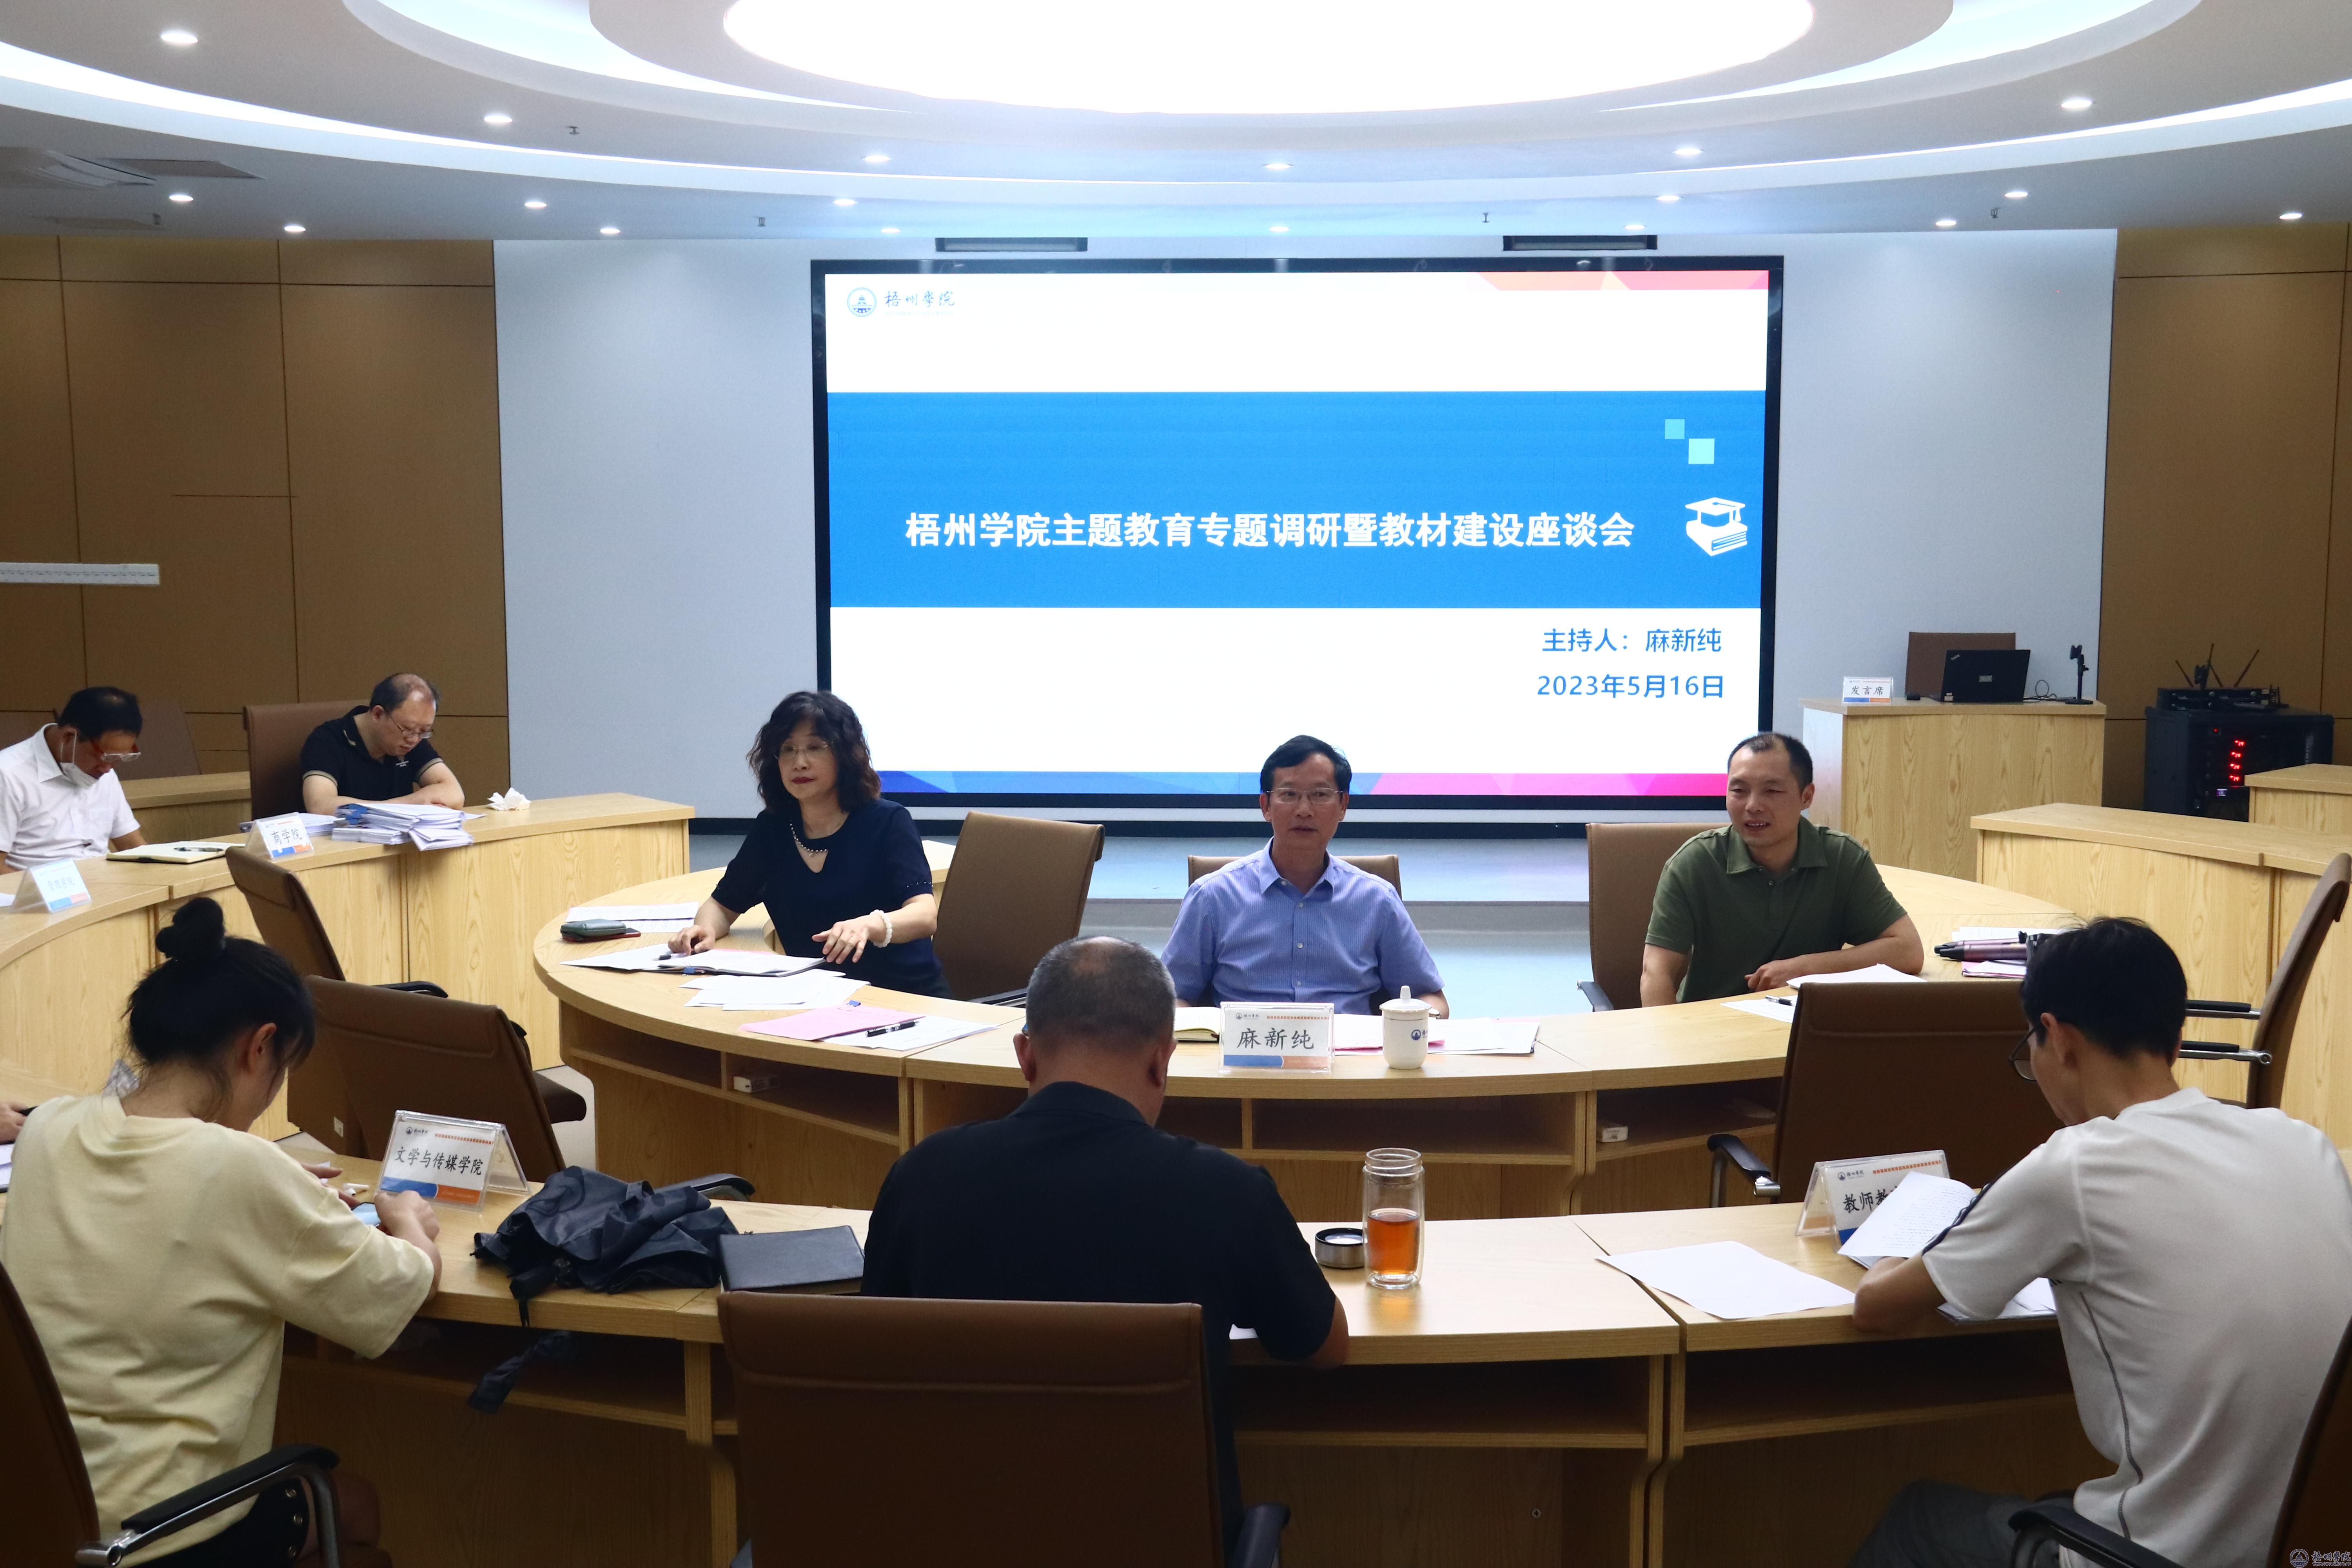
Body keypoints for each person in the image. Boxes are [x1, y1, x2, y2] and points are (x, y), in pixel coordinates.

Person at [1847, 918, 2352, 1568]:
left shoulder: (2074, 1166)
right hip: (2318, 1552)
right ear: (2175, 1041)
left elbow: (1879, 1308)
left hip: (2163, 1558)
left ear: (2058, 1038)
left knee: (1917, 1519)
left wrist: (1894, 1247)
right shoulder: (2305, 1146)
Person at [862, 936, 1346, 1555]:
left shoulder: (923, 1177)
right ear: (1162, 1061)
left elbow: (875, 1351)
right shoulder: (1227, 1192)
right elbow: (1324, 1346)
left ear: (1025, 1056)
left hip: (960, 1543)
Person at [0, 897, 441, 1566]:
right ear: (259, 1047)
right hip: (153, 1530)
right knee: (355, 1509)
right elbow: (399, 1288)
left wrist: (273, 1187)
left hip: (32, 1509)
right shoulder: (241, 1169)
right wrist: (408, 1221)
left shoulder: (49, 1128)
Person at [671, 691, 947, 994]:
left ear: (845, 755)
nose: (799, 763)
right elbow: (722, 906)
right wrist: (704, 930)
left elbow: (925, 915)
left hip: (903, 996)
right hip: (816, 997)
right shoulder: (773, 828)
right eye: (788, 749)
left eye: (815, 748)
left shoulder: (887, 821)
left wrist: (869, 926)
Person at [1163, 734, 1448, 1016]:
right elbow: (1170, 999)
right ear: (1266, 806)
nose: (1304, 810)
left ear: (1343, 806)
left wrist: (1415, 1023)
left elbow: (1430, 998)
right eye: (1289, 795)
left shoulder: (1377, 900)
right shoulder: (1213, 896)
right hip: (1247, 1044)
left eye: (1320, 795)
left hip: (1349, 1045)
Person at [1641, 732, 1922, 1005]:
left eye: (1772, 791)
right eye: (1739, 791)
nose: (1752, 806)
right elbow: (1656, 973)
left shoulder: (1841, 857)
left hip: (1804, 1025)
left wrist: (1805, 968)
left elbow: (1908, 951)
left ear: (1806, 796)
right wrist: (1670, 1035)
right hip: (1710, 1024)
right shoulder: (1694, 863)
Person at [0, 685, 147, 871]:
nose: (108, 769)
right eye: (104, 757)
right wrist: (37, 889)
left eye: (118, 759)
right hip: (40, 885)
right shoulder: (8, 774)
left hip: (106, 882)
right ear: (69, 737)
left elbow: (131, 844)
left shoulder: (105, 772)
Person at [300, 672, 464, 812]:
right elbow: (320, 806)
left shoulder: (412, 740)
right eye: (408, 729)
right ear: (378, 714)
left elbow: (455, 794)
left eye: (424, 731)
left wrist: (399, 807)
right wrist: (409, 804)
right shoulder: (328, 740)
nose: (414, 740)